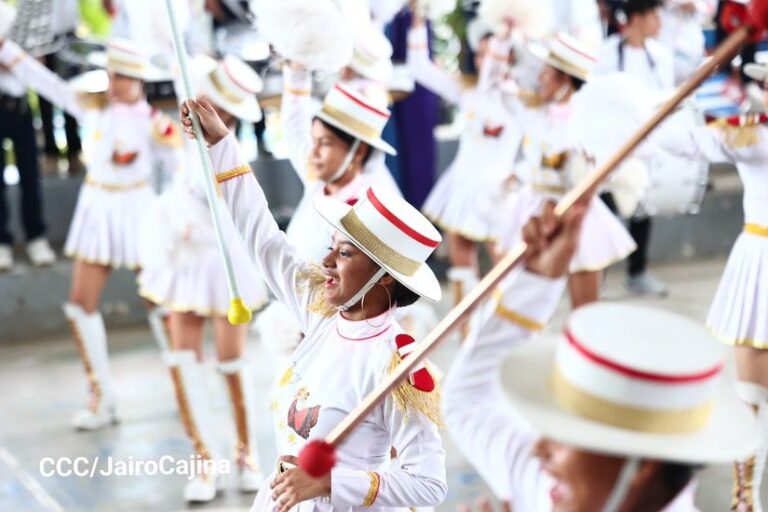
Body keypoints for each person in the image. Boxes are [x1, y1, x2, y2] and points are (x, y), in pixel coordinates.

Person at [181, 97, 447, 511]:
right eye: (331, 247)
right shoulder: (320, 312)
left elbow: (428, 486)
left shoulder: (397, 368)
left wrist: (330, 483)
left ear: (385, 275)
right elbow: (263, 237)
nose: (326, 261)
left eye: (344, 254)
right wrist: (221, 145)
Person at [443, 201, 759, 511]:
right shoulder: (551, 487)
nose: (539, 450)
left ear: (643, 467)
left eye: (563, 433)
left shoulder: (563, 492)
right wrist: (536, 283)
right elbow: (469, 402)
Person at [0, 35, 181, 430]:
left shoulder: (157, 125)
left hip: (140, 211)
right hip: (97, 210)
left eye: (124, 77)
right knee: (79, 304)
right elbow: (44, 82)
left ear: (140, 81)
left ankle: (184, 387)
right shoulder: (93, 108)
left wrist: (173, 225)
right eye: (112, 74)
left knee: (160, 304)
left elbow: (177, 177)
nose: (115, 83)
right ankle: (101, 397)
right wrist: (8, 49)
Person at [137, 55, 268, 502]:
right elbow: (173, 50)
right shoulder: (184, 129)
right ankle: (202, 458)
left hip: (225, 260)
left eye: (223, 110)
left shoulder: (231, 150)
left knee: (231, 361)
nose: (210, 113)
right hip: (184, 256)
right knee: (183, 359)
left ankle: (246, 451)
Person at [652, 59, 768, 512]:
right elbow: (668, 136)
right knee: (751, 393)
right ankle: (746, 499)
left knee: (752, 391)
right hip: (761, 260)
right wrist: (689, 85)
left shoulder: (752, 135)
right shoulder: (751, 135)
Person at [493, 33, 636, 308]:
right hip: (533, 211)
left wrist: (590, 166)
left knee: (586, 309)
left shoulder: (589, 122)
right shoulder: (535, 113)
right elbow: (500, 89)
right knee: (513, 301)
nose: (540, 79)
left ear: (565, 79)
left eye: (546, 74)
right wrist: (507, 36)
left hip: (575, 214)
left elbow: (603, 171)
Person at [408, 12, 520, 315]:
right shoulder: (468, 92)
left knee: (504, 261)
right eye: (481, 54)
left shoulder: (522, 99)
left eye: (495, 53)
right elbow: (420, 69)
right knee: (462, 261)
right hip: (464, 185)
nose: (488, 60)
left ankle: (507, 321)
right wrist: (418, 22)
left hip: (501, 190)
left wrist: (519, 175)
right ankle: (466, 322)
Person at [593, 0, 674, 297]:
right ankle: (595, 276)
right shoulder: (607, 53)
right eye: (654, 15)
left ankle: (637, 272)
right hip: (610, 147)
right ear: (637, 18)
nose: (659, 21)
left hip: (643, 146)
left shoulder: (661, 56)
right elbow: (597, 98)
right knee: (603, 209)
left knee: (641, 208)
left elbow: (665, 99)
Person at [0, 2, 56, 271]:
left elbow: (38, 61)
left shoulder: (25, 13)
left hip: (21, 106)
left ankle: (36, 237)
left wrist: (24, 58)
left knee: (31, 176)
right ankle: (2, 242)